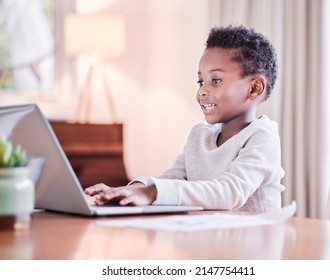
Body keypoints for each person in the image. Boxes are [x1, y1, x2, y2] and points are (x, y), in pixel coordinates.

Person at [85, 24, 285, 213]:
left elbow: (230, 192)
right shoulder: (199, 135)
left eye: (215, 80)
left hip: (253, 244)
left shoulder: (262, 137)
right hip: (213, 239)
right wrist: (129, 190)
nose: (203, 91)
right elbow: (173, 178)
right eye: (201, 81)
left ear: (254, 88)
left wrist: (152, 193)